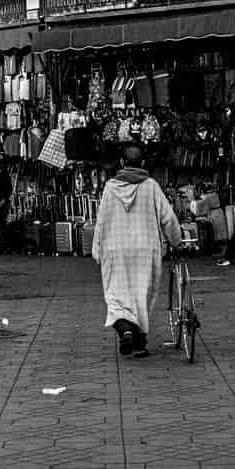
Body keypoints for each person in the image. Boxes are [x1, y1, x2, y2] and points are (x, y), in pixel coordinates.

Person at [94, 145, 181, 358]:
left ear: (122, 163)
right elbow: (168, 218)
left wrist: (97, 249)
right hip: (146, 250)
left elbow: (102, 221)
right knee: (142, 295)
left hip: (115, 250)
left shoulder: (110, 187)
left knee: (116, 296)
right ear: (143, 164)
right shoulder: (151, 186)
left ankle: (126, 331)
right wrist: (176, 242)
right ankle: (140, 342)